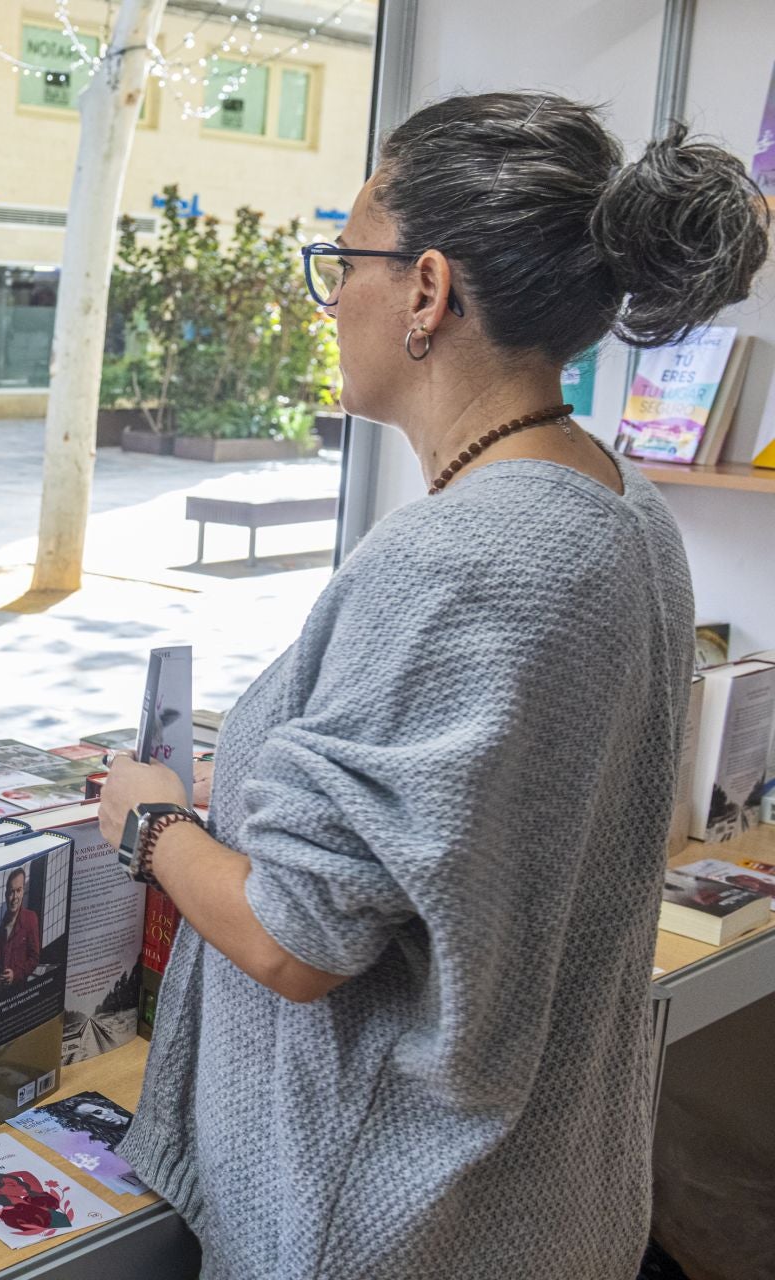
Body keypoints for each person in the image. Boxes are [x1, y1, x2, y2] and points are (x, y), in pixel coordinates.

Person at [94, 94, 769, 1278]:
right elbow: (462, 812)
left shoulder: (460, 560)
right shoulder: (620, 506)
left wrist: (150, 820)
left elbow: (298, 941)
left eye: (345, 258)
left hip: (389, 1214)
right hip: (535, 1187)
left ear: (427, 289)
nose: (333, 293)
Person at [0, 867, 41, 994]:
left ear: (23, 891)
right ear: (5, 895)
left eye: (18, 890)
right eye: (11, 892)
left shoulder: (30, 919)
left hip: (21, 994)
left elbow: (34, 958)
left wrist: (15, 974)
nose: (14, 897)